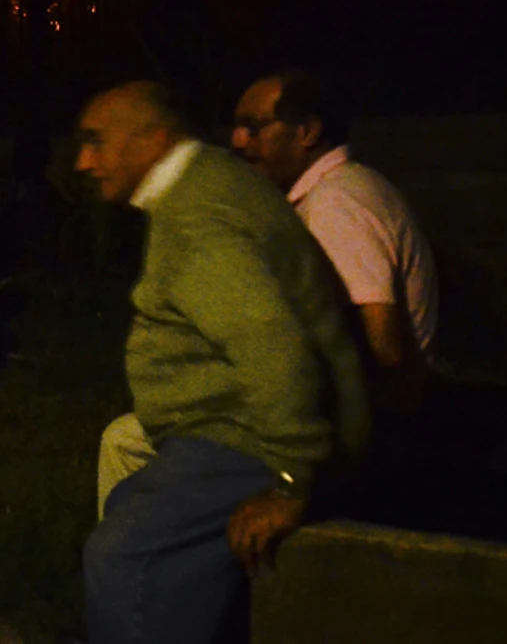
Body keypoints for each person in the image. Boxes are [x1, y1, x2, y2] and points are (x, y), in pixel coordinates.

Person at [76, 82, 368, 644]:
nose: (83, 161)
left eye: (96, 141)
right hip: (229, 425)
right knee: (128, 500)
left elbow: (273, 345)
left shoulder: (197, 216)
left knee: (122, 555)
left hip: (248, 434)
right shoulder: (200, 185)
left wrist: (291, 479)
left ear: (153, 140)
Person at [232, 71, 438, 400]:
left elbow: (380, 348)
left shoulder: (334, 203)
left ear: (308, 132)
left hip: (377, 422)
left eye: (254, 127)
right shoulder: (347, 186)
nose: (238, 141)